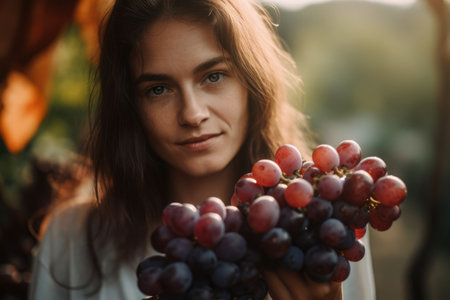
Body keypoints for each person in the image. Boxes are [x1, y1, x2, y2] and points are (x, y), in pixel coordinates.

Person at [28, 0, 376, 299]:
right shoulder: (71, 239)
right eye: (158, 89)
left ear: (251, 82)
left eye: (213, 76)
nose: (192, 114)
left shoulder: (322, 227)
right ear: (130, 107)